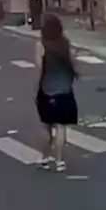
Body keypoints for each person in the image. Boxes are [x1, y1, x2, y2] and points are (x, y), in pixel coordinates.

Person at [34, 13, 79, 172]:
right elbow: (72, 63)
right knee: (61, 127)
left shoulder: (41, 45)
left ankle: (44, 158)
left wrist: (36, 88)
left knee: (46, 126)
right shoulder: (65, 43)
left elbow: (39, 68)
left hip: (47, 90)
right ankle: (60, 161)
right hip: (65, 90)